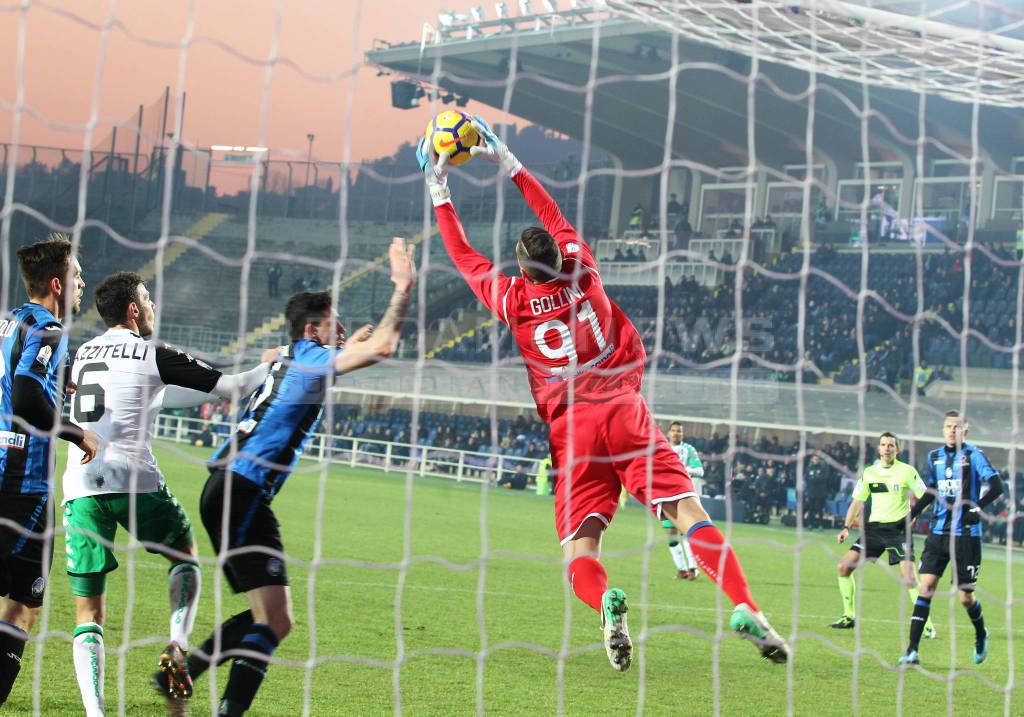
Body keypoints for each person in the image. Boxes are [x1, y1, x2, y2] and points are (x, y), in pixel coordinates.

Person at [419, 118, 788, 672]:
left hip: (573, 427)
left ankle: (606, 610)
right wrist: (509, 162)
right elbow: (553, 216)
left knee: (580, 547)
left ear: (522, 270)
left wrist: (438, 187)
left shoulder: (512, 299)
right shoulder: (584, 270)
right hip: (621, 406)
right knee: (687, 511)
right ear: (560, 257)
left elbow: (464, 255)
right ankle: (746, 606)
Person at [184, 238, 415, 716]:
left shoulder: (288, 355)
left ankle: (183, 675)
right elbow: (386, 345)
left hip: (222, 487)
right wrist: (402, 285)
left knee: (262, 613)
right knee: (277, 620)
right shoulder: (308, 358)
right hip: (244, 491)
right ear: (313, 328)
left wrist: (345, 346)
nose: (344, 327)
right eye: (335, 321)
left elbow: (301, 366)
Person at [59, 272, 277, 716]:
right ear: (133, 310)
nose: (154, 304)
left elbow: (152, 395)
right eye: (147, 298)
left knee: (88, 611)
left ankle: (95, 713)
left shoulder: (81, 354)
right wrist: (272, 363)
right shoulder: (150, 352)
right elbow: (234, 388)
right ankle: (177, 646)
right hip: (134, 480)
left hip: (79, 486)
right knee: (185, 554)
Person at [0, 234, 100, 707]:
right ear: (58, 284)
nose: (83, 284)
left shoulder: (11, 321)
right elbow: (22, 396)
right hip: (21, 483)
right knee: (22, 603)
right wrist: (78, 433)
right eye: (78, 276)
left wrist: (58, 381)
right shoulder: (50, 331)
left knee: (20, 600)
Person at [898, 411, 1003, 666]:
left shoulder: (973, 455)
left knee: (965, 596)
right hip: (938, 534)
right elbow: (931, 490)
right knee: (926, 588)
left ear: (965, 430)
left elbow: (997, 485)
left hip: (966, 535)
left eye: (957, 427)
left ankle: (981, 634)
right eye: (948, 427)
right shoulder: (934, 457)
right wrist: (912, 513)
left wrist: (977, 507)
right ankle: (912, 650)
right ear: (943, 429)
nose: (951, 431)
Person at [830, 433, 935, 640]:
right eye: (884, 445)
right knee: (844, 567)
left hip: (898, 531)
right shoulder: (869, 473)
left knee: (909, 578)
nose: (887, 448)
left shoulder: (907, 472)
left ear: (897, 449)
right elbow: (856, 502)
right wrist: (846, 527)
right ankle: (849, 616)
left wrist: (913, 514)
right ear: (878, 448)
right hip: (874, 530)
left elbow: (927, 497)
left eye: (891, 445)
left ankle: (927, 625)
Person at [664, 422, 703, 580]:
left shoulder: (689, 449)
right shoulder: (662, 448)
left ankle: (693, 569)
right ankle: (681, 570)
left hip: (685, 494)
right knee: (671, 534)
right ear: (668, 433)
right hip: (666, 496)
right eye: (673, 431)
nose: (676, 434)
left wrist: (681, 469)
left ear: (683, 434)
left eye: (679, 431)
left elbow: (700, 470)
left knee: (686, 532)